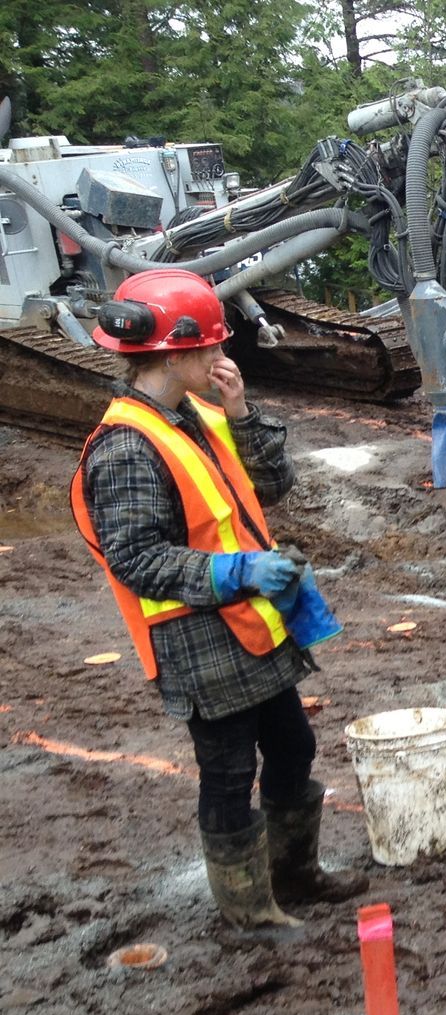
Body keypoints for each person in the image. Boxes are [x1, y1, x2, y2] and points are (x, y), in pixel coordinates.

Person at [71, 268, 365, 936]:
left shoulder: (196, 416)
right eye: (208, 348)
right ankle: (247, 912)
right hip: (196, 635)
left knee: (292, 748)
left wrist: (242, 415)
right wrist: (238, 573)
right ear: (172, 352)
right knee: (229, 773)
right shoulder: (125, 448)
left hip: (249, 626)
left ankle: (296, 874)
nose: (220, 358)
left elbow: (274, 486)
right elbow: (136, 558)